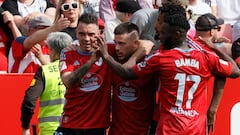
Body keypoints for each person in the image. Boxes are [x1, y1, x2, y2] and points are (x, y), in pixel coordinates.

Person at [96, 14, 240, 135]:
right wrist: (215, 48)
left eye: (164, 33)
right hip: (195, 127)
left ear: (177, 34)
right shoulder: (206, 57)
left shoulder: (161, 58)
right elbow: (234, 71)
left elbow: (127, 73)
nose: (160, 36)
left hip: (169, 128)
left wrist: (106, 57)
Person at [54, 13, 115, 135]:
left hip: (97, 126)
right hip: (71, 124)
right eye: (82, 34)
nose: (86, 39)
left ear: (99, 34)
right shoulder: (68, 53)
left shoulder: (110, 50)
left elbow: (145, 45)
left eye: (91, 34)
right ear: (76, 33)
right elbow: (68, 82)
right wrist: (91, 61)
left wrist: (106, 55)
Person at [108, 22, 157, 135]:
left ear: (136, 43)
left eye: (121, 43)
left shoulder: (149, 62)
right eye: (115, 42)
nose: (117, 48)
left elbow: (148, 44)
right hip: (116, 131)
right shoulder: (112, 54)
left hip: (143, 131)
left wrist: (134, 59)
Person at [20, 32, 72, 135]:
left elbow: (29, 101)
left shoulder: (45, 71)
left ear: (52, 51)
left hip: (49, 130)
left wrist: (25, 128)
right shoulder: (78, 69)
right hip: (73, 128)